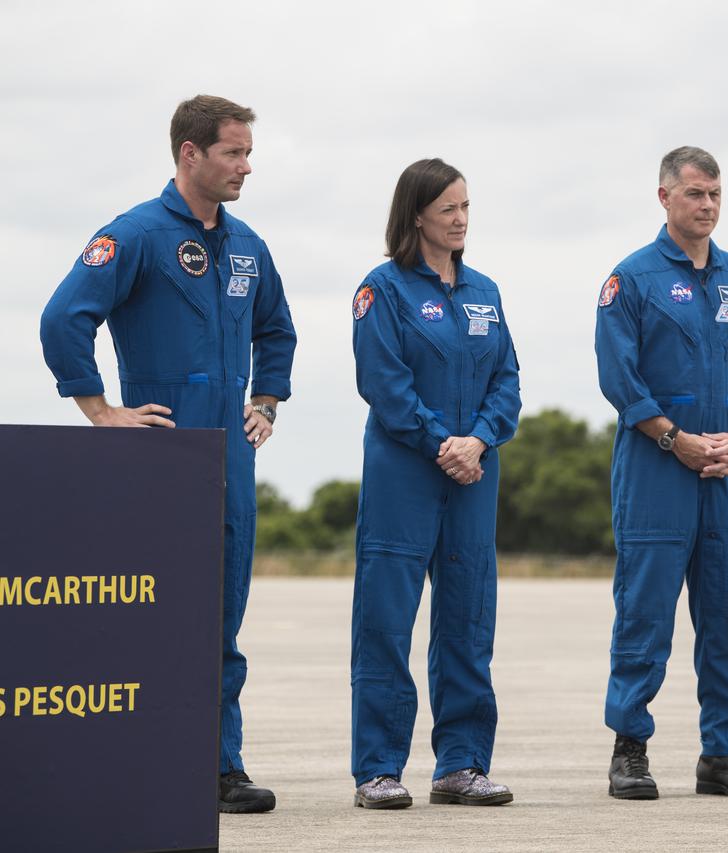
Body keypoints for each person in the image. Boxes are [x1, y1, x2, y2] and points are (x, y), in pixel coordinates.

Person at [39, 95, 297, 814]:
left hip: (231, 459)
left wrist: (266, 400)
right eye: (234, 153)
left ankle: (219, 766)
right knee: (152, 616)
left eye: (248, 152)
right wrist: (101, 411)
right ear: (190, 154)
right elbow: (64, 317)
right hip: (158, 457)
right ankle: (137, 757)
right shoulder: (137, 234)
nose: (247, 165)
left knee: (221, 619)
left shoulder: (247, 245)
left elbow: (277, 329)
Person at [594, 146, 728, 800]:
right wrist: (674, 440)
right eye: (695, 193)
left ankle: (723, 753)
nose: (706, 205)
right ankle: (630, 748)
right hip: (656, 472)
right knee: (645, 614)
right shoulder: (632, 279)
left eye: (715, 194)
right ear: (665, 197)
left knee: (727, 615)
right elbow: (619, 378)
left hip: (727, 472)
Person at [349, 158, 520, 810]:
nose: (460, 219)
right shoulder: (382, 290)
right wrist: (438, 441)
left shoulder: (485, 292)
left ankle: (462, 764)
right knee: (386, 621)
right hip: (404, 472)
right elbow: (383, 381)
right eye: (449, 207)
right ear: (416, 212)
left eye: (467, 207)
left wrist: (478, 438)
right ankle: (377, 768)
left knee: (468, 618)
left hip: (474, 472)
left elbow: (507, 379)